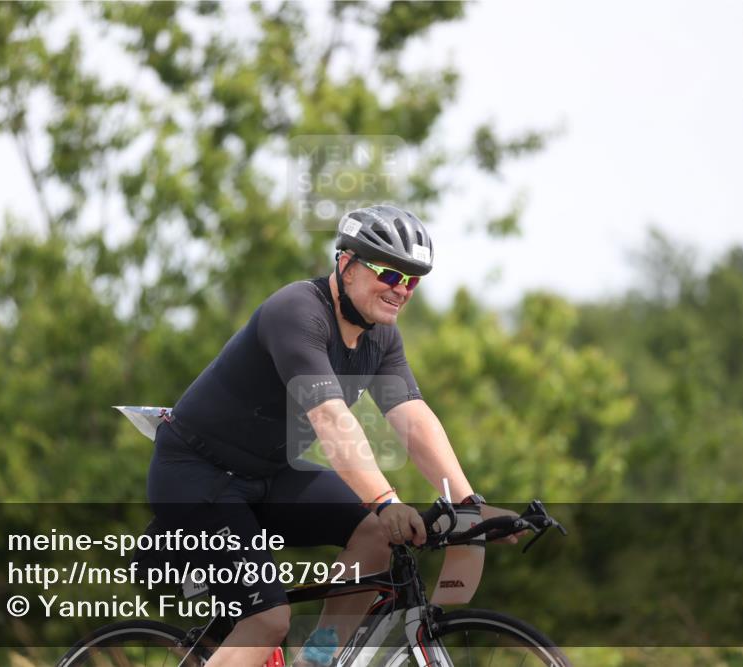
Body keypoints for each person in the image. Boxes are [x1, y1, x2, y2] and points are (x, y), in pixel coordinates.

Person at [147, 204, 517, 667]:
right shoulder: (297, 313)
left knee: (374, 535)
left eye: (412, 281)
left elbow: (413, 418)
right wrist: (386, 499)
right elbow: (331, 420)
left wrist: (468, 505)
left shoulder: (383, 338)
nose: (401, 290)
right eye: (388, 275)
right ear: (346, 264)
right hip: (197, 477)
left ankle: (315, 661)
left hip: (269, 475)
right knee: (267, 619)